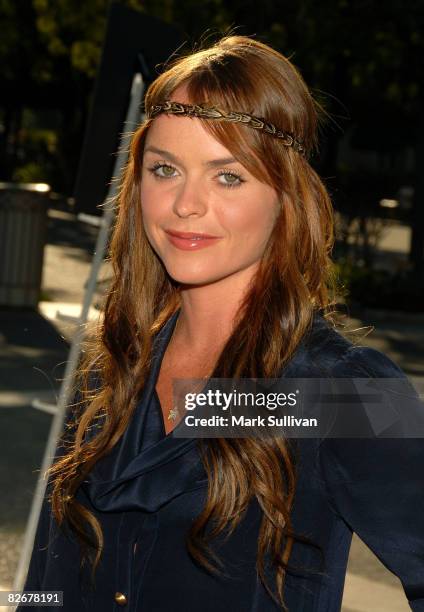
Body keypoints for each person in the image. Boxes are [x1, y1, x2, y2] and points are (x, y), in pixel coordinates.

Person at [18, 34, 424, 612]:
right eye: (165, 169)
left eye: (227, 175)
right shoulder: (114, 364)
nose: (186, 204)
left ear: (285, 194)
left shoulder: (336, 390)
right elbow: (47, 581)